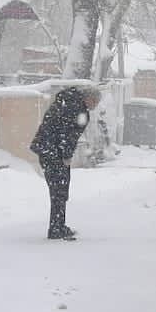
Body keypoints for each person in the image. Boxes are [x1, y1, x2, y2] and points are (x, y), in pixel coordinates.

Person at [30, 85, 98, 240]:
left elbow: (59, 129)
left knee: (58, 191)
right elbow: (68, 135)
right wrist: (66, 155)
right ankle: (56, 228)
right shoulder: (78, 110)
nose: (94, 106)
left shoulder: (66, 101)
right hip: (54, 152)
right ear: (88, 98)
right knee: (60, 191)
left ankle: (58, 225)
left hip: (46, 149)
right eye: (94, 102)